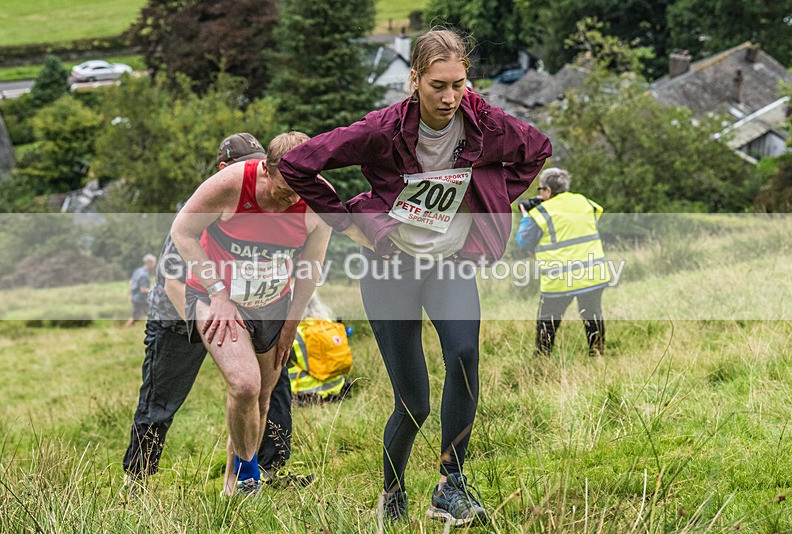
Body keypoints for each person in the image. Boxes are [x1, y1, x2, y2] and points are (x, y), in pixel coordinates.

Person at [278, 28, 551, 525]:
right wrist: (347, 223)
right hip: (391, 268)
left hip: (448, 263)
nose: (450, 98)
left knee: (465, 358)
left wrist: (485, 195)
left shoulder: (484, 123)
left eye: (459, 84)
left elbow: (537, 150)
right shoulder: (382, 129)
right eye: (438, 86)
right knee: (414, 403)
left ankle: (451, 484)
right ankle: (393, 492)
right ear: (415, 79)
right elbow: (297, 163)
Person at [123, 133, 312, 489]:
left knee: (271, 390)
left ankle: (262, 473)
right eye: (241, 168)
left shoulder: (272, 200)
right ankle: (137, 480)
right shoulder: (208, 207)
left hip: (247, 310)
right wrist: (213, 340)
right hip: (180, 316)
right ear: (223, 171)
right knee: (159, 403)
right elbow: (173, 281)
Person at [171, 131, 331, 496]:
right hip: (217, 298)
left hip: (274, 303)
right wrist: (217, 293)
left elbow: (310, 266)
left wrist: (292, 324)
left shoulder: (319, 199)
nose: (292, 198)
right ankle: (247, 478)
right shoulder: (230, 185)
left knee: (261, 399)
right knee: (244, 385)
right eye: (284, 188)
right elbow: (182, 231)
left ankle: (235, 486)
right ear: (267, 169)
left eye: (300, 189)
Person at [516, 167, 610, 357]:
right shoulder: (584, 202)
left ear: (548, 191)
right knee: (592, 315)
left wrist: (526, 217)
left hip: (559, 280)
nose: (540, 194)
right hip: (592, 274)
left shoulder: (541, 213)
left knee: (547, 322)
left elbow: (523, 241)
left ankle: (541, 362)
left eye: (541, 190)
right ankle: (598, 356)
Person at [125, 254, 157, 328]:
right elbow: (143, 290)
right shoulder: (145, 274)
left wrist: (130, 295)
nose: (155, 265)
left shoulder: (138, 270)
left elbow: (131, 282)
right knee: (136, 316)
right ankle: (125, 329)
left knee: (140, 316)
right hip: (141, 299)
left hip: (135, 297)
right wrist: (154, 290)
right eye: (154, 262)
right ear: (149, 263)